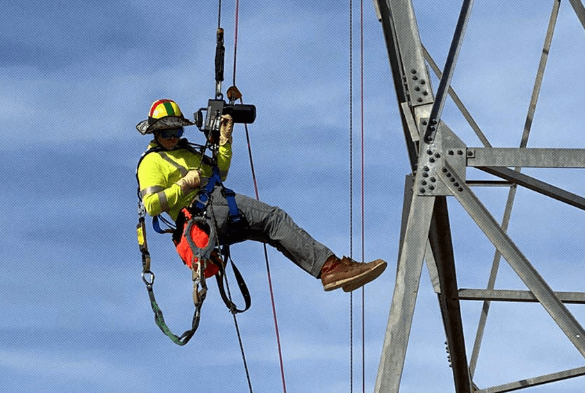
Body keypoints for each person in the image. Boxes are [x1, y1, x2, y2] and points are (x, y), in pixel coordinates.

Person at [136, 99, 387, 292]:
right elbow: (151, 205)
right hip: (202, 212)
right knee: (275, 219)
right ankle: (331, 268)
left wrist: (224, 141)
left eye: (176, 132)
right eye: (166, 133)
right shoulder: (152, 162)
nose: (172, 138)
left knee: (273, 233)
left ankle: (328, 273)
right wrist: (182, 185)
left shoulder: (187, 151)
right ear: (155, 133)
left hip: (216, 208)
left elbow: (219, 174)